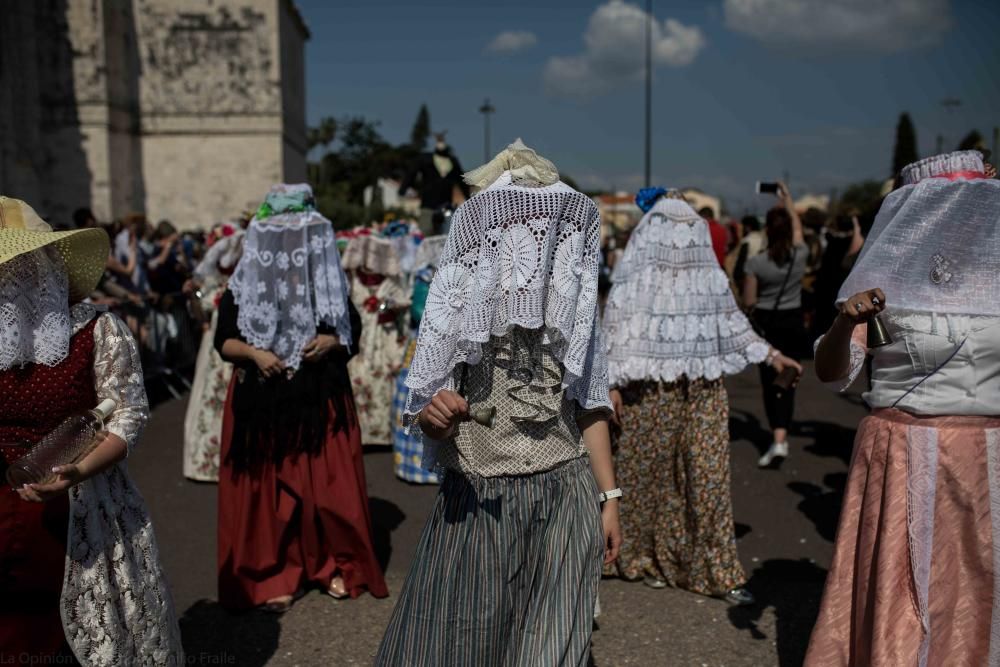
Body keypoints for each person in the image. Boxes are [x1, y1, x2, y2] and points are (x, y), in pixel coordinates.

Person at [377, 140, 621, 665]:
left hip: (565, 494)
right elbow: (430, 411)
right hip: (481, 503)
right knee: (468, 640)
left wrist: (610, 497)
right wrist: (436, 417)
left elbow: (591, 403)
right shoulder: (465, 313)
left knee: (552, 641)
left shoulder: (572, 309)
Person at [805, 150, 1000, 665]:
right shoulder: (883, 281)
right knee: (907, 592)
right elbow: (832, 373)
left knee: (980, 587)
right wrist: (846, 321)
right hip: (905, 451)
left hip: (987, 458)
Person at [0, 196, 182, 664]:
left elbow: (128, 413)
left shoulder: (96, 329)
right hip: (5, 511)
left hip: (81, 506)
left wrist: (77, 470)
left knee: (81, 637)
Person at [603, 187, 801, 606]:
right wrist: (611, 383)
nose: (679, 241)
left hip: (702, 390)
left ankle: (714, 567)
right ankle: (643, 557)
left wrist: (772, 355)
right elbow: (616, 328)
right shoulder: (636, 276)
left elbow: (732, 322)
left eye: (688, 230)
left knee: (707, 477)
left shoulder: (707, 279)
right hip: (646, 388)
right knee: (643, 478)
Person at [215, 184, 387, 611]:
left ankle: (331, 564)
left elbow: (350, 332)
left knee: (329, 490)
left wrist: (331, 342)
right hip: (264, 398)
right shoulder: (247, 280)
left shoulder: (327, 278)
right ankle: (274, 571)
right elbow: (225, 341)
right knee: (268, 495)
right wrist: (255, 353)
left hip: (319, 395)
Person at [742, 183, 808, 467]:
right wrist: (788, 199)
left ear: (766, 230)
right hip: (792, 319)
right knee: (788, 381)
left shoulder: (756, 263)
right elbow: (797, 231)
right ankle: (782, 436)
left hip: (766, 324)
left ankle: (777, 438)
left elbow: (749, 301)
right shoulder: (800, 254)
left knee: (770, 383)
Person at [182, 221, 245, 482]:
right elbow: (200, 316)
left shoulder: (243, 278)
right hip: (213, 346)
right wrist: (192, 297)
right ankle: (209, 460)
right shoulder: (210, 281)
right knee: (212, 397)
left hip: (233, 343)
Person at [341, 233, 410, 445]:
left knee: (384, 382)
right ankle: (360, 434)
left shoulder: (390, 280)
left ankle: (383, 434)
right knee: (358, 381)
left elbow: (404, 303)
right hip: (360, 340)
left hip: (383, 339)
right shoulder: (351, 277)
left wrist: (390, 307)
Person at [391, 234, 447, 484]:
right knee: (417, 396)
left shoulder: (447, 273)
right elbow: (418, 310)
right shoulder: (427, 275)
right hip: (425, 340)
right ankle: (415, 465)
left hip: (441, 341)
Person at [397, 132, 470, 234]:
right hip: (428, 206)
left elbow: (462, 182)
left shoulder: (453, 161)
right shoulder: (425, 159)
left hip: (446, 207)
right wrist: (403, 189)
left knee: (446, 237)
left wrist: (470, 200)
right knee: (425, 236)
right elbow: (411, 173)